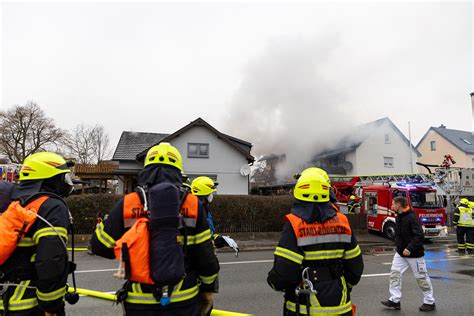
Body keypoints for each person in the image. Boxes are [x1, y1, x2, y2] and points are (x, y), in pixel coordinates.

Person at [90, 143, 220, 316]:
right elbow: (206, 258)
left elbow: (100, 246)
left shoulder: (129, 203)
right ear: (178, 171)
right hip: (183, 301)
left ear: (146, 170)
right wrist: (208, 290)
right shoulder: (193, 204)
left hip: (139, 303)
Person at [268, 168, 364, 315]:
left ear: (298, 191)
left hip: (304, 305)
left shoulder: (295, 223)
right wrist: (343, 284)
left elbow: (284, 273)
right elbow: (356, 268)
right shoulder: (342, 221)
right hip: (340, 303)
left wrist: (274, 283)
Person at [0, 152, 75, 316]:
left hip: (6, 298)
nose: (66, 183)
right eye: (63, 177)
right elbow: (51, 261)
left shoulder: (10, 201)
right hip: (29, 305)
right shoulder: (51, 206)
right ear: (51, 178)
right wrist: (51, 306)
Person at [381, 196, 436, 312]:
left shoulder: (411, 217)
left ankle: (429, 302)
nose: (391, 206)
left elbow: (419, 235)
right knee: (395, 274)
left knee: (421, 278)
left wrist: (409, 248)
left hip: (414, 254)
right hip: (401, 253)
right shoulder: (399, 216)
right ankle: (395, 300)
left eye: (393, 204)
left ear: (398, 205)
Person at [191, 176, 239, 254]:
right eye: (210, 193)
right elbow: (195, 235)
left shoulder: (204, 208)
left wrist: (218, 239)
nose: (212, 195)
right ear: (204, 194)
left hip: (205, 251)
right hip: (199, 254)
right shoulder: (194, 211)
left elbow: (206, 232)